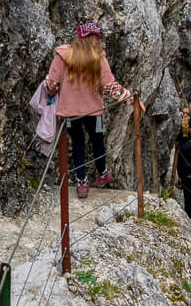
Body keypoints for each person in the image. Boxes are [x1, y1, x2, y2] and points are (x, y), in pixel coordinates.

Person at [44, 22, 134, 198]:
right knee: (97, 141)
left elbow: (51, 84)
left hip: (69, 112)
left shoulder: (62, 55)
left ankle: (82, 183)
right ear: (93, 39)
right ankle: (102, 173)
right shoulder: (98, 58)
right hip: (93, 112)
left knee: (77, 144)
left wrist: (54, 92)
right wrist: (130, 99)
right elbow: (110, 86)